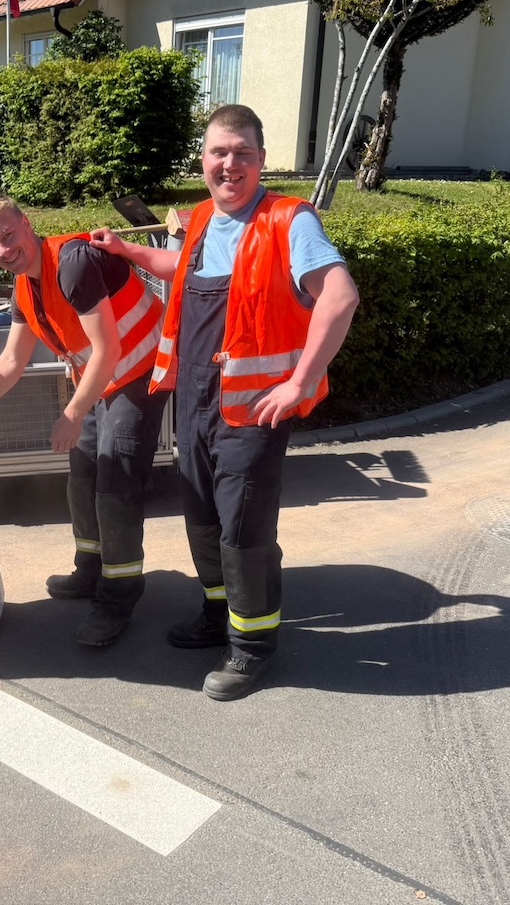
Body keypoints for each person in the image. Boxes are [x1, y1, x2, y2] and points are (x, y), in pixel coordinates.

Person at [89, 104, 360, 700]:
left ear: (261, 160)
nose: (229, 163)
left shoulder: (289, 220)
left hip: (254, 407)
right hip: (195, 399)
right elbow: (181, 270)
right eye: (219, 152)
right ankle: (218, 614)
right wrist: (129, 251)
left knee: (243, 526)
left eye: (243, 153)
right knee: (203, 516)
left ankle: (251, 646)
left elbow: (339, 297)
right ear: (203, 159)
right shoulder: (204, 221)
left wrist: (299, 382)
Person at [0, 197, 169, 647]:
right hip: (103, 380)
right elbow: (10, 362)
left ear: (26, 223)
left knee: (115, 481)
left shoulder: (72, 264)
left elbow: (108, 349)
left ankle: (118, 596)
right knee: (83, 473)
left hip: (141, 370)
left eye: (8, 236)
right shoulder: (24, 287)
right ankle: (90, 569)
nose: (3, 250)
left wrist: (71, 414)